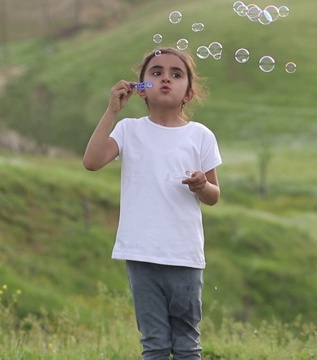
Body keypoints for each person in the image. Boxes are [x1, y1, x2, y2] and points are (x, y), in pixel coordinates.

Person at [82, 47, 222, 360]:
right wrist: (112, 111)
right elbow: (91, 162)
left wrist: (202, 185)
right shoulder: (129, 129)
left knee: (186, 344)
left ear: (189, 92)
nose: (165, 79)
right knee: (154, 343)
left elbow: (214, 196)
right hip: (140, 253)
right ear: (141, 89)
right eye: (156, 73)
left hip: (184, 255)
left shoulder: (200, 135)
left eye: (176, 74)